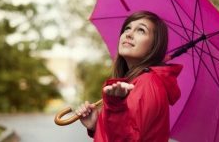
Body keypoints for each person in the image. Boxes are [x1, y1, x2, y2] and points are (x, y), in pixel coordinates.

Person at [75, 11, 182, 142]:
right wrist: (96, 125)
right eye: (127, 28)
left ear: (154, 46)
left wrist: (115, 107)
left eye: (141, 30)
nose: (129, 34)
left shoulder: (147, 82)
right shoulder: (136, 82)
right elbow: (125, 133)